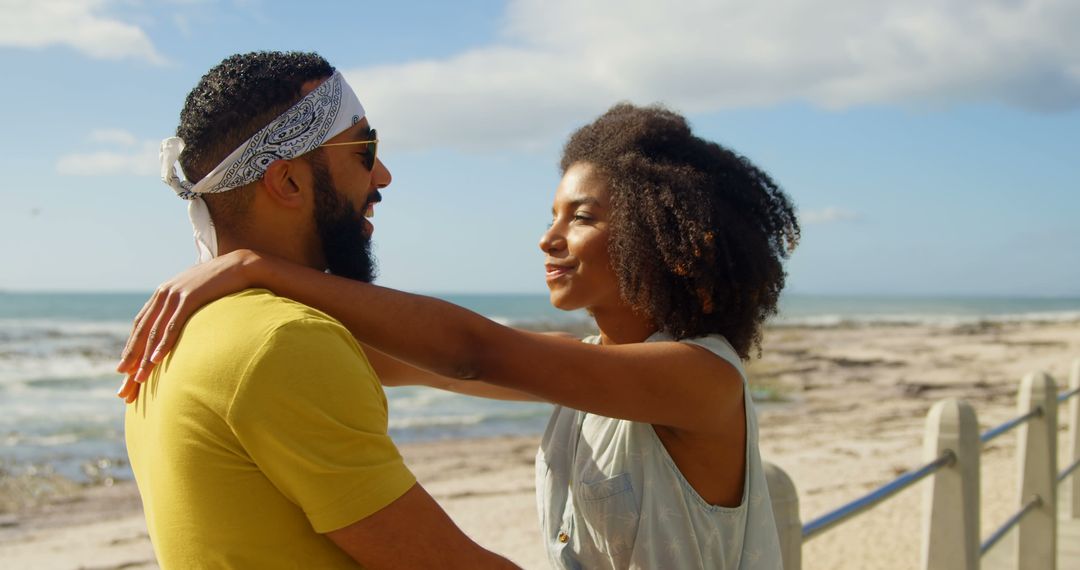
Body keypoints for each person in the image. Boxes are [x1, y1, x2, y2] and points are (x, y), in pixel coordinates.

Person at [119, 103, 800, 569]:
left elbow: (475, 354)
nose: (549, 238)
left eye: (581, 218)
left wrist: (257, 265)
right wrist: (224, 321)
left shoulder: (702, 379)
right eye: (551, 215)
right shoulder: (588, 371)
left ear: (661, 237)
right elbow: (385, 360)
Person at [118, 51, 517, 569]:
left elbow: (477, 365)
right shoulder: (283, 342)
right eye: (365, 148)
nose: (385, 176)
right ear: (287, 182)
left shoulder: (186, 330)